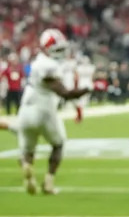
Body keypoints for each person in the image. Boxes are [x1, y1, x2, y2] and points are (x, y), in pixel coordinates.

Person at [17, 29, 91, 195]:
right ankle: (48, 182)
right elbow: (64, 93)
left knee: (28, 150)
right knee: (58, 145)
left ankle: (28, 168)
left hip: (25, 110)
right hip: (44, 110)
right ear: (46, 49)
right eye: (57, 49)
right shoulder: (49, 66)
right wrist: (87, 89)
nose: (61, 53)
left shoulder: (37, 62)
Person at [73, 54, 96, 122]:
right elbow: (92, 77)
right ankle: (84, 109)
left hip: (82, 84)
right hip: (88, 84)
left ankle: (82, 110)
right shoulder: (91, 67)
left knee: (81, 99)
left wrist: (76, 86)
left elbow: (76, 78)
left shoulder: (79, 68)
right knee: (86, 98)